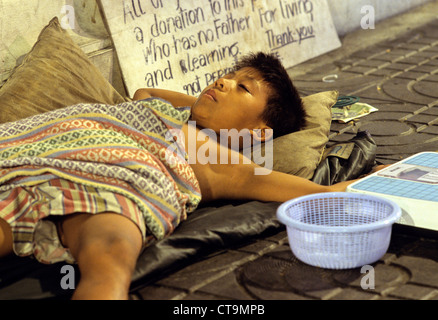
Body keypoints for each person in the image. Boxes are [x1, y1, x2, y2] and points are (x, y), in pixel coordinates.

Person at [0, 52, 360, 299]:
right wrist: (200, 106)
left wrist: (349, 189)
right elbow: (144, 94)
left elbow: (261, 180)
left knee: (108, 261)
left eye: (242, 87)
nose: (223, 81)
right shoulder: (167, 114)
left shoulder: (217, 154)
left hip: (121, 174)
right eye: (228, 76)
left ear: (258, 132)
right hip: (42, 145)